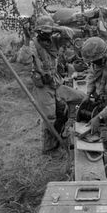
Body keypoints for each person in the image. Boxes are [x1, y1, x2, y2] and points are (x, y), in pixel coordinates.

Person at [29, 15, 86, 154]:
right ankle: (49, 148)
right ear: (38, 32)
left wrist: (53, 28)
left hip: (56, 83)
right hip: (44, 86)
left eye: (49, 32)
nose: (47, 36)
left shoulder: (54, 40)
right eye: (43, 33)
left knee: (79, 98)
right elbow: (23, 60)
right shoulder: (33, 45)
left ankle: (61, 134)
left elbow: (69, 33)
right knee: (50, 117)